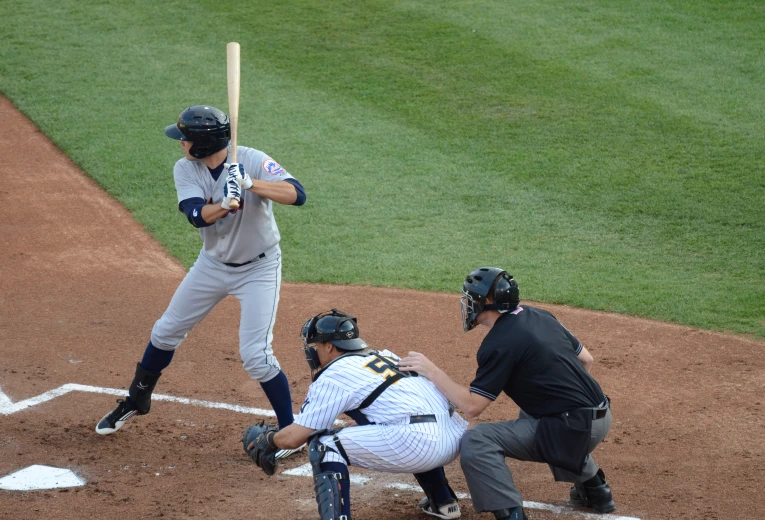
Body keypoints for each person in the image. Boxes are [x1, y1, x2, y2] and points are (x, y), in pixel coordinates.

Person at [96, 105, 306, 458]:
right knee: (165, 331)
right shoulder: (185, 168)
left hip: (259, 269)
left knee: (256, 355)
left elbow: (297, 194)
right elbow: (196, 215)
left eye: (185, 139)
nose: (180, 144)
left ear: (203, 144)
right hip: (211, 266)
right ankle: (136, 399)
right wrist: (226, 203)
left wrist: (252, 184)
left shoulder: (252, 160)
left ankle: (290, 432)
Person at [399, 267, 616, 519]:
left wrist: (432, 370)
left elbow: (472, 406)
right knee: (539, 412)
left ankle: (512, 515)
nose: (468, 304)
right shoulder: (541, 315)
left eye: (471, 298)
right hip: (601, 415)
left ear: (487, 302)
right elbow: (586, 360)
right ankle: (596, 489)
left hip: (574, 428)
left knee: (478, 440)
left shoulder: (498, 343)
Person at [242, 309, 468, 520]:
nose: (312, 350)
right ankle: (444, 501)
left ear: (329, 346)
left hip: (419, 445)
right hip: (455, 437)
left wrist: (270, 440)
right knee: (393, 420)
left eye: (316, 345)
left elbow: (295, 438)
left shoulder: (335, 373)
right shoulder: (384, 355)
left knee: (324, 445)